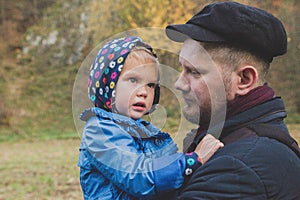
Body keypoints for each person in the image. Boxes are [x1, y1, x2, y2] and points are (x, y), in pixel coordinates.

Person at [165, 1, 300, 199]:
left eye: (193, 72)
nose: (179, 83)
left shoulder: (240, 169)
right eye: (181, 68)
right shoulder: (236, 142)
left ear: (244, 80)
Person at [77, 36, 224, 200]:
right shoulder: (99, 131)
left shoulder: (148, 132)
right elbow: (139, 179)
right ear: (107, 84)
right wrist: (192, 160)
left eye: (151, 85)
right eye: (133, 80)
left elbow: (170, 178)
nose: (143, 92)